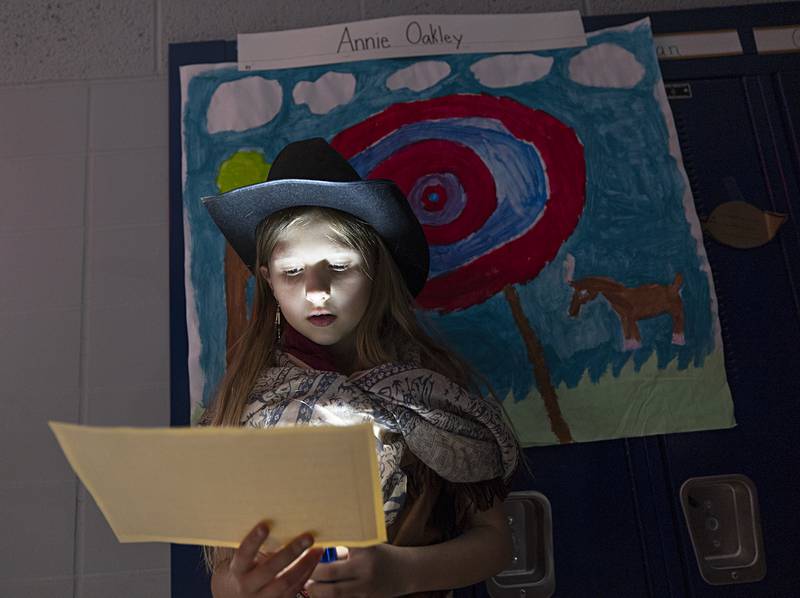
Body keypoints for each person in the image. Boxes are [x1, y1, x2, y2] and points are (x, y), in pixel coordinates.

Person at [201, 138, 521, 597]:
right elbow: (224, 575)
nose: (316, 291)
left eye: (338, 265)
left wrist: (402, 571)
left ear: (374, 267)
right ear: (268, 280)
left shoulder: (435, 389)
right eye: (292, 271)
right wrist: (243, 588)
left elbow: (494, 541)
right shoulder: (244, 402)